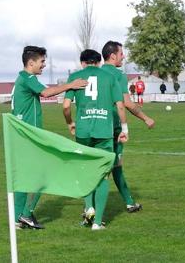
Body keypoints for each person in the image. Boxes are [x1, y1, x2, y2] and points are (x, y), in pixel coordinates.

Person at [11, 45, 88, 229]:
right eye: (42, 61)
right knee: (43, 176)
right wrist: (71, 85)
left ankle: (18, 218)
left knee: (24, 177)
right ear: (31, 63)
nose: (44, 65)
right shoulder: (28, 78)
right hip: (29, 136)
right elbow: (46, 93)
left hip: (22, 135)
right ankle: (26, 214)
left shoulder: (22, 79)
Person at [62, 49, 128, 231]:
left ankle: (88, 209)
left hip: (83, 131)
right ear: (99, 62)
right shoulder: (109, 77)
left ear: (83, 62)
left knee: (85, 171)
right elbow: (120, 106)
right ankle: (97, 222)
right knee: (103, 175)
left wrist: (70, 123)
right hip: (104, 131)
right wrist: (124, 129)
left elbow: (66, 106)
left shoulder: (75, 77)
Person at [101, 41, 155, 213]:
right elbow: (127, 103)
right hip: (113, 126)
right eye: (121, 53)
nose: (123, 56)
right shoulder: (118, 75)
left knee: (101, 166)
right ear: (112, 55)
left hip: (95, 125)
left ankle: (91, 207)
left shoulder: (96, 72)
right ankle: (123, 204)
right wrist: (146, 118)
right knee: (114, 165)